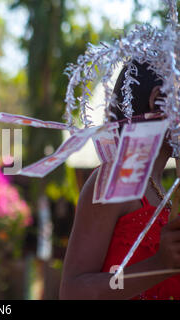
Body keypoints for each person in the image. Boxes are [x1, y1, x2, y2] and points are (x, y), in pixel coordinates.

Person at [60, 61, 180, 300]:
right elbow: (73, 292)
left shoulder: (162, 191)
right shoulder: (119, 176)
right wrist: (158, 266)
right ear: (158, 101)